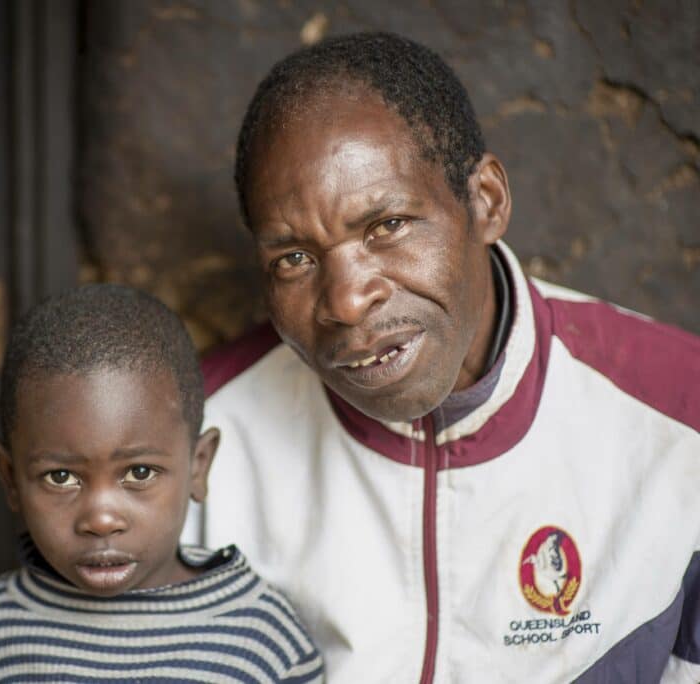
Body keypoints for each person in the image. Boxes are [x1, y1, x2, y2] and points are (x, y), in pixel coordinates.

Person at [192, 32, 700, 683]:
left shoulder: (679, 423)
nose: (346, 301)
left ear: (486, 200)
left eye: (388, 225)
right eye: (293, 258)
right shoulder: (195, 445)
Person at [0, 285, 325, 683]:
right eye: (61, 477)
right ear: (9, 478)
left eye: (139, 473)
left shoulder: (263, 638)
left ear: (198, 466)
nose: (101, 518)